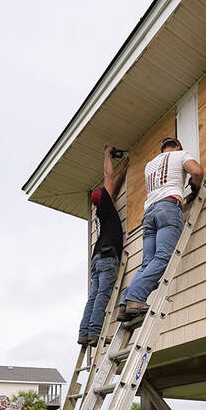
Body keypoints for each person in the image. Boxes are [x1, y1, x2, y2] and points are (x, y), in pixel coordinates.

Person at [115, 137, 203, 322]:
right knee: (163, 257)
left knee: (147, 263)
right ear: (178, 146)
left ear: (162, 148)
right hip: (167, 208)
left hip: (149, 214)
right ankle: (135, 298)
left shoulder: (150, 165)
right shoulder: (180, 155)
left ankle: (124, 305)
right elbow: (196, 171)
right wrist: (194, 187)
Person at [78, 145, 129, 345]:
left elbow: (112, 191)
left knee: (93, 297)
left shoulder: (102, 211)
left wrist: (124, 173)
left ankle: (85, 333)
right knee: (101, 295)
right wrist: (107, 153)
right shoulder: (106, 209)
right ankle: (95, 331)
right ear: (105, 199)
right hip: (108, 257)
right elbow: (108, 177)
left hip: (98, 257)